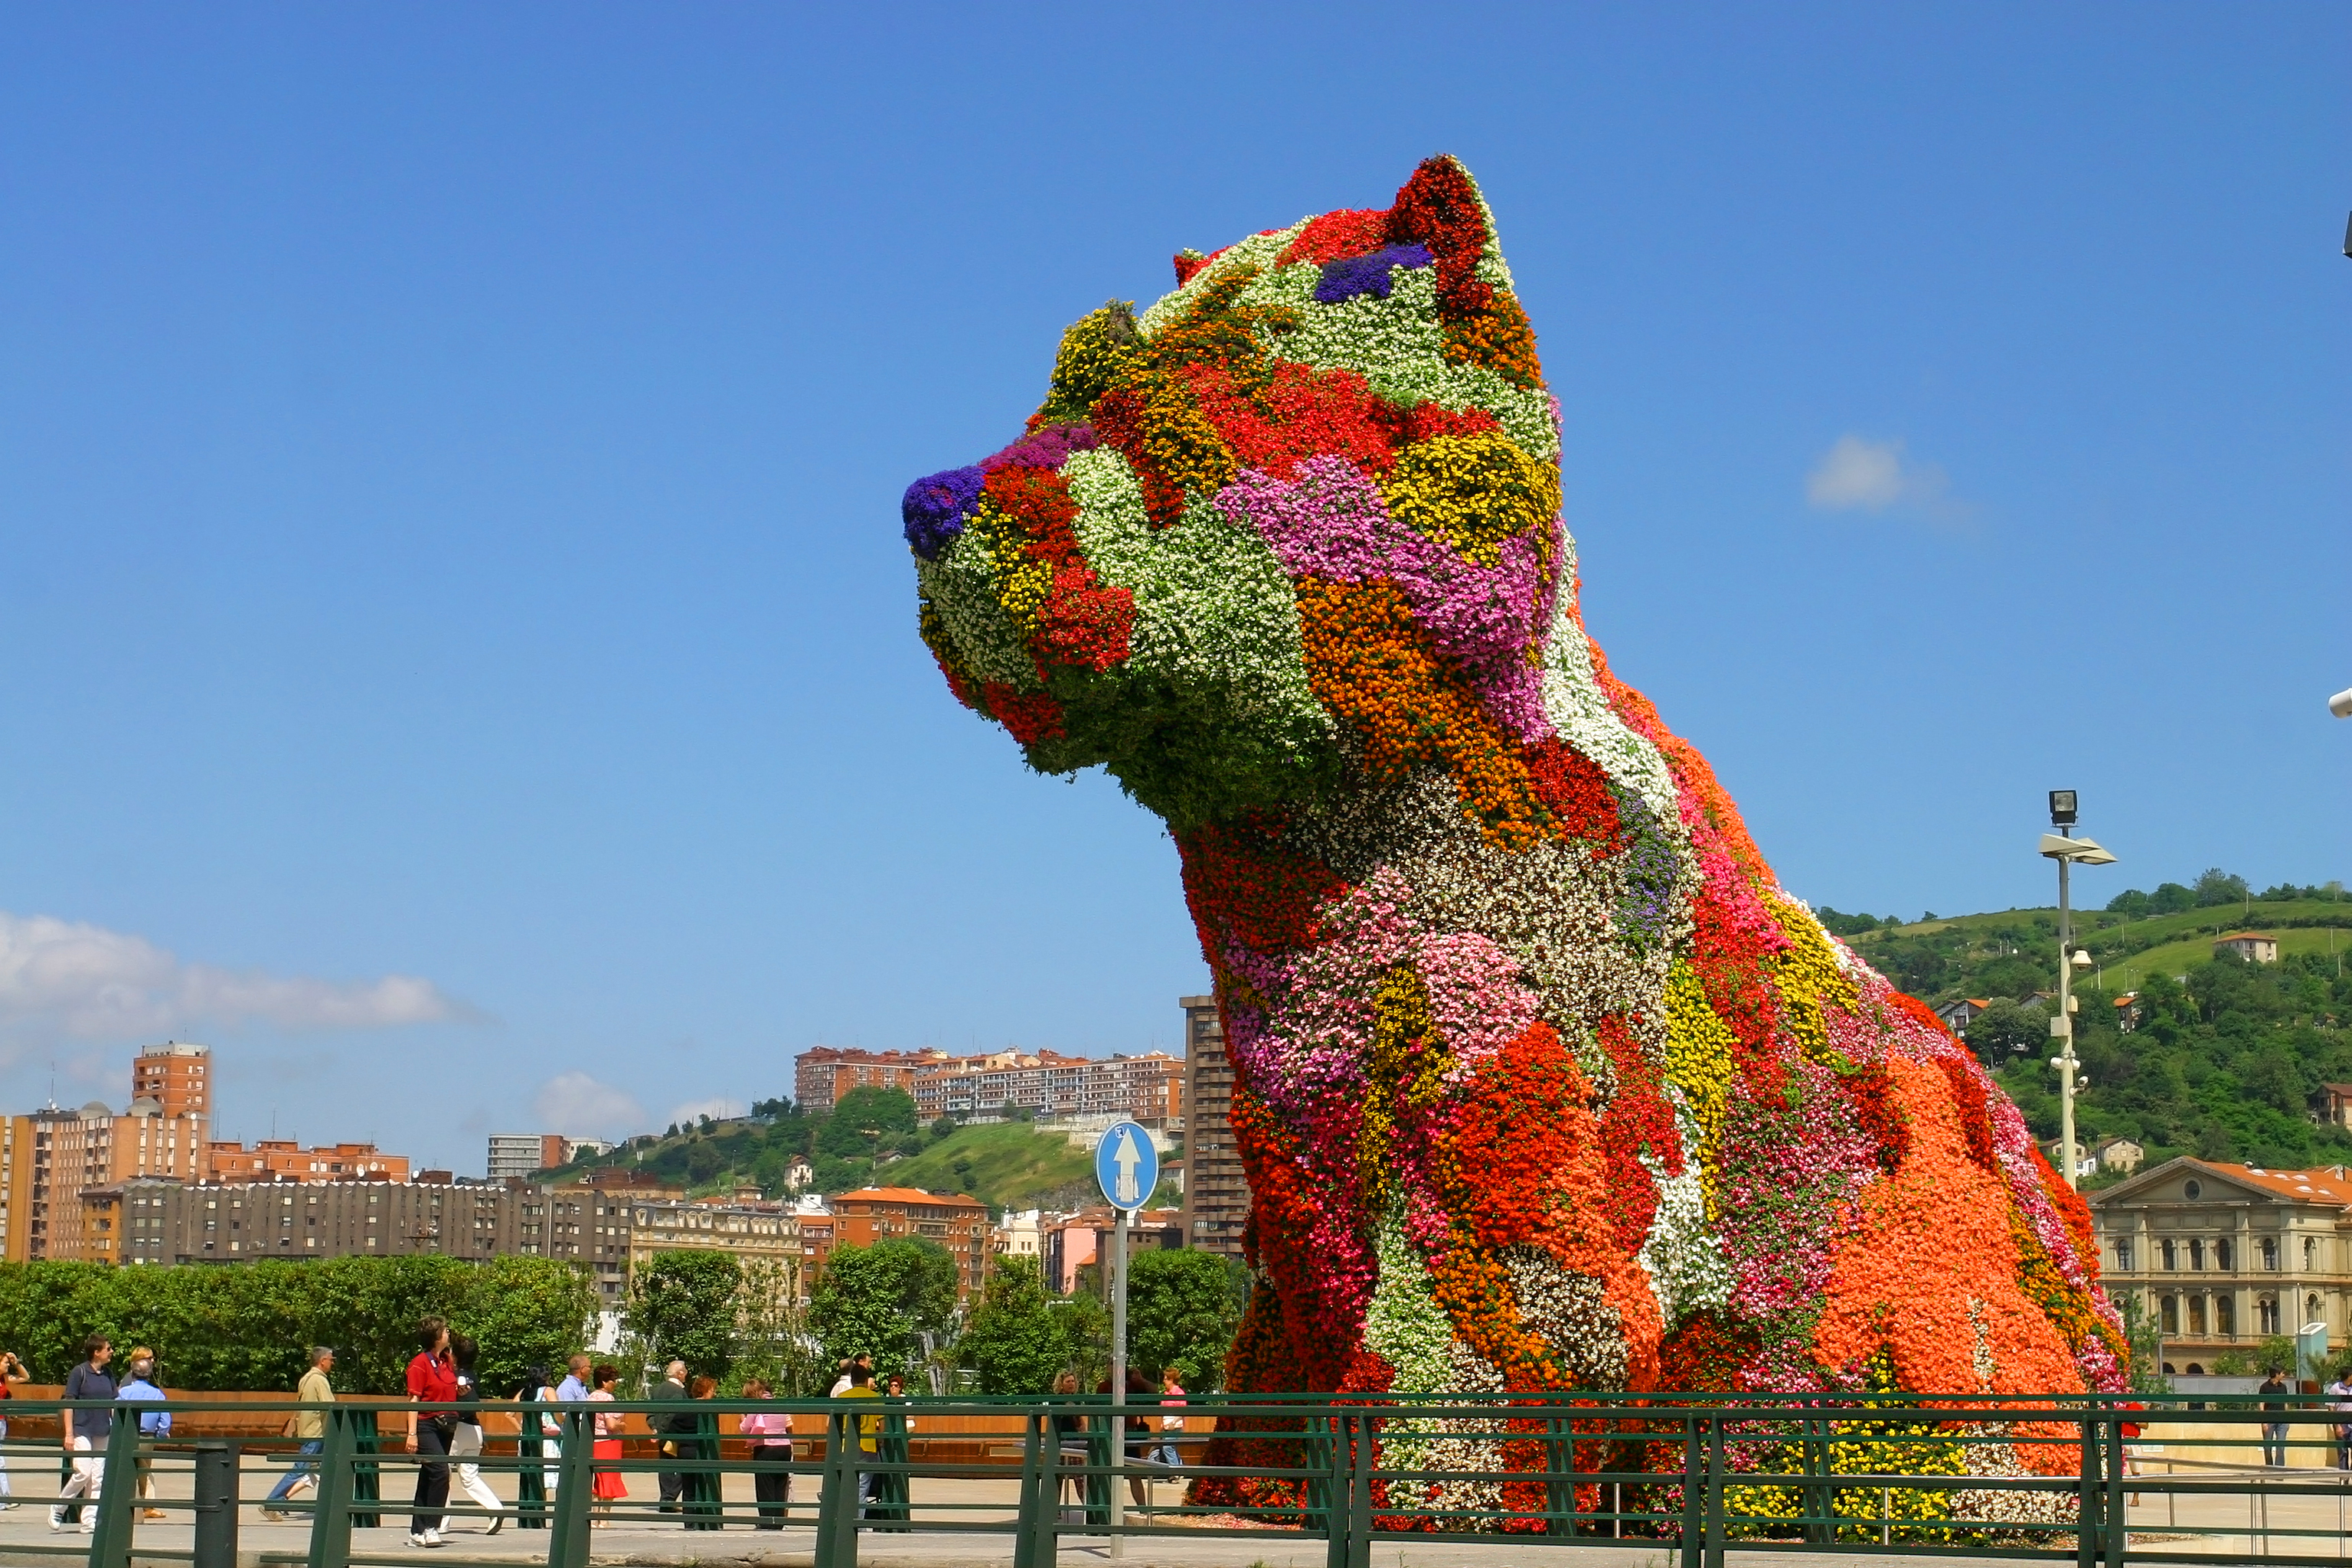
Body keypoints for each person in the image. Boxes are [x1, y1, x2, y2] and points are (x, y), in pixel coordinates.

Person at [51, 1334, 115, 1534]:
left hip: (102, 1430)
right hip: (82, 1428)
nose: (111, 1352)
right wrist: (69, 1434)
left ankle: (89, 1520)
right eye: (108, 1348)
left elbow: (114, 1401)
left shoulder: (108, 1374)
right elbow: (69, 1403)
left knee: (98, 1477)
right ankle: (58, 1508)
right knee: (83, 1472)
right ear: (97, 1352)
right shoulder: (79, 1372)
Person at [403, 1316, 458, 1548]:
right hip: (426, 1423)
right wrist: (412, 1433)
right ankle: (431, 1526)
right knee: (440, 1472)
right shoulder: (419, 1363)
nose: (448, 1333)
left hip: (446, 1424)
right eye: (445, 1330)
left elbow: (446, 1388)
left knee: (429, 1475)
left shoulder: (446, 1361)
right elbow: (414, 1399)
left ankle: (417, 1530)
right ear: (436, 1336)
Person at [263, 1348, 336, 1521]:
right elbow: (330, 1405)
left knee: (318, 1470)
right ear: (322, 1360)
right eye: (331, 1359)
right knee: (301, 1469)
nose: (332, 1363)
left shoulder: (306, 1379)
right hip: (316, 1433)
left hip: (309, 1431)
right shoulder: (319, 1380)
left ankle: (281, 1500)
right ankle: (272, 1502)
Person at [446, 1336, 502, 1535]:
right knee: (470, 1477)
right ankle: (496, 1509)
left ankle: (441, 1521)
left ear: (455, 1355)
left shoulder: (456, 1376)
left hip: (457, 1429)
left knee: (441, 1472)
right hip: (475, 1429)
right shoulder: (473, 1375)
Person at [117, 1351, 169, 1521]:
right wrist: (160, 1434)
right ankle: (145, 1506)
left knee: (126, 1469)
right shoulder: (157, 1395)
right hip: (147, 1436)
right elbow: (165, 1421)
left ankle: (127, 1504)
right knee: (144, 1471)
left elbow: (114, 1414)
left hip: (126, 1435)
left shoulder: (124, 1392)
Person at [737, 1377, 791, 1530]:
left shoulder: (758, 1405)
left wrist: (742, 1418)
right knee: (780, 1485)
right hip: (784, 1447)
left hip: (766, 1447)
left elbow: (745, 1428)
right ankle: (778, 1521)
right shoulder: (779, 1404)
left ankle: (767, 1520)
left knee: (765, 1486)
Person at [838, 1364, 884, 1514]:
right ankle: (859, 1524)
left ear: (852, 1380)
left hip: (846, 1446)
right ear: (866, 1380)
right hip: (868, 1445)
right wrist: (881, 1442)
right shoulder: (875, 1398)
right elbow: (882, 1424)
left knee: (846, 1485)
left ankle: (845, 1519)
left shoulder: (842, 1397)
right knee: (862, 1487)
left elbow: (834, 1423)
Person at [586, 1364, 629, 1525]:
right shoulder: (608, 1398)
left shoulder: (591, 1397)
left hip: (594, 1441)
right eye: (613, 1380)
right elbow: (611, 1424)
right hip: (609, 1442)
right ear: (604, 1382)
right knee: (610, 1479)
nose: (615, 1383)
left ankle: (593, 1519)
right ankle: (604, 1519)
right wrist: (622, 1425)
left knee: (598, 1480)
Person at [511, 1365, 552, 1530]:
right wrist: (561, 1423)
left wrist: (520, 1428)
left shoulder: (524, 1392)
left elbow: (509, 1413)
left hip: (526, 1436)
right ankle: (538, 1519)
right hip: (544, 1437)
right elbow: (560, 1411)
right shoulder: (548, 1391)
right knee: (542, 1477)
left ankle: (525, 1519)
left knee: (527, 1474)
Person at [681, 1376, 721, 1530]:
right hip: (703, 1452)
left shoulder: (685, 1408)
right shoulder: (708, 1409)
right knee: (707, 1485)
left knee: (689, 1489)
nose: (714, 1393)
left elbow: (672, 1427)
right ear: (705, 1390)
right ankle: (708, 1521)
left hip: (685, 1451)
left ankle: (690, 1523)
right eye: (712, 1390)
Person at [652, 1360, 691, 1513]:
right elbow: (675, 1414)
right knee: (683, 1467)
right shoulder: (678, 1392)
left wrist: (655, 1428)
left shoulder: (657, 1390)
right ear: (680, 1373)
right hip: (675, 1433)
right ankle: (668, 1499)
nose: (686, 1375)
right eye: (685, 1372)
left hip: (660, 1434)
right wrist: (664, 1430)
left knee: (665, 1468)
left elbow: (650, 1411)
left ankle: (666, 1499)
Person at [1050, 1370, 1086, 1521]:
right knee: (1057, 1478)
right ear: (1061, 1384)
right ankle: (1053, 1509)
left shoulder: (1076, 1400)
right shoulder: (1056, 1400)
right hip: (1060, 1442)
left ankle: (1088, 1507)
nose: (1071, 1384)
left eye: (1073, 1381)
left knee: (1080, 1478)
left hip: (1075, 1443)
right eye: (1068, 1382)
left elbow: (1080, 1421)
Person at [0, 1348, 28, 1508]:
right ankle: (4, 1497)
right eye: (5, 1363)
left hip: (2, 1422)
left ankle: (5, 1497)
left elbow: (25, 1377)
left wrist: (16, 1362)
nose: (7, 1366)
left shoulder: (4, 1379)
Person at [1155, 1367, 1187, 1472]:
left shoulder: (1179, 1393)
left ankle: (1175, 1471)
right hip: (1166, 1425)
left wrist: (1173, 1422)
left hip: (1175, 1426)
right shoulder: (1166, 1394)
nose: (1163, 1381)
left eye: (1165, 1379)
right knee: (1170, 1447)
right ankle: (1180, 1468)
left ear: (1171, 1380)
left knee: (1168, 1447)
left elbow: (1182, 1411)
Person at [2259, 1367, 2291, 1467]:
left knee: (2281, 1446)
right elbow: (2261, 1404)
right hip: (2269, 1420)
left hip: (2282, 1421)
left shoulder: (2283, 1387)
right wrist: (2263, 1422)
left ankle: (2279, 1469)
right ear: (2276, 1374)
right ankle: (2269, 1467)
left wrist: (2287, 1419)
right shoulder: (2264, 1387)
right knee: (2267, 1447)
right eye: (2282, 1373)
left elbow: (2286, 1403)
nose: (2284, 1375)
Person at [2328, 1368, 2352, 1470]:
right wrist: (2337, 1425)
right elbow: (2331, 1407)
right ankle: (2343, 1477)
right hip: (2341, 1423)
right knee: (2343, 1451)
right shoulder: (2335, 1388)